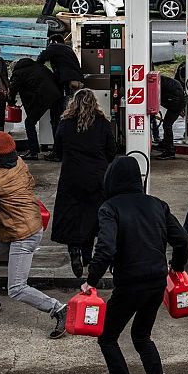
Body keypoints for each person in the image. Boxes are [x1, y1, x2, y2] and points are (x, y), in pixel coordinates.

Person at [82, 156, 188, 374]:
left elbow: (105, 248)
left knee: (107, 337)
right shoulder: (157, 205)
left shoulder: (110, 207)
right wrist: (176, 268)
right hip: (156, 282)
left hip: (130, 283)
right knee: (142, 337)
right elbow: (182, 240)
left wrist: (91, 280)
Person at [0, 132, 67, 339]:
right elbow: (30, 184)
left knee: (17, 288)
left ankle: (58, 308)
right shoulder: (20, 162)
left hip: (23, 233)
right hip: (25, 225)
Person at [51, 89, 116, 278]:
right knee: (91, 215)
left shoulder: (65, 124)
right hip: (97, 178)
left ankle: (74, 250)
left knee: (72, 214)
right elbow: (111, 151)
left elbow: (57, 151)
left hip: (71, 176)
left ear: (73, 103)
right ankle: (87, 257)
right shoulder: (103, 124)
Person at [37, 35, 84, 162]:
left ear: (53, 41)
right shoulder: (68, 49)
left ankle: (58, 152)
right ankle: (69, 149)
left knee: (58, 118)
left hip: (66, 84)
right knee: (72, 116)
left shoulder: (55, 46)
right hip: (78, 84)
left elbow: (41, 58)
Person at [8, 58, 64, 161]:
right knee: (56, 123)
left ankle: (33, 152)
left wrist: (10, 102)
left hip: (42, 98)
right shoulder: (38, 66)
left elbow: (12, 90)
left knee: (29, 123)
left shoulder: (19, 72)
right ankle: (58, 152)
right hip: (56, 95)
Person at [155, 75, 187, 160]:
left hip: (176, 102)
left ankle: (170, 151)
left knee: (167, 125)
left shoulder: (156, 83)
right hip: (177, 100)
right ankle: (165, 144)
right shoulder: (160, 80)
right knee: (167, 124)